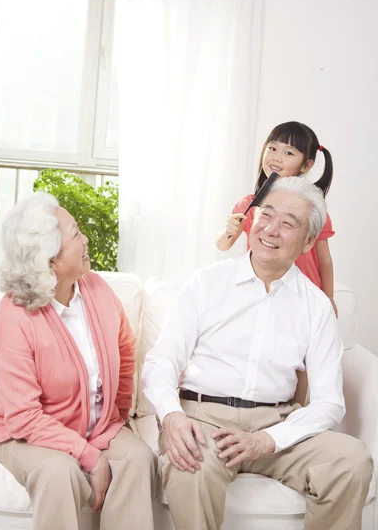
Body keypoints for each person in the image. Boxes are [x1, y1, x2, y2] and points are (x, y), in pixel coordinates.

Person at [142, 176, 373, 530]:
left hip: (276, 425)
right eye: (267, 214)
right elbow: (161, 362)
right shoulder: (207, 283)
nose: (271, 229)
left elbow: (329, 402)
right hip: (204, 421)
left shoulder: (316, 306)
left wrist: (267, 440)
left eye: (288, 223)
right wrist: (172, 416)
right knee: (190, 464)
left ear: (309, 240)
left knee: (350, 458)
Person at [0, 193, 157, 530]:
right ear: (49, 260)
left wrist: (117, 415)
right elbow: (24, 417)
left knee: (138, 459)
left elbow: (124, 351)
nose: (85, 238)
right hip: (21, 434)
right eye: (75, 234)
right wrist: (89, 456)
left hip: (93, 425)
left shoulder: (96, 288)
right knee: (57, 471)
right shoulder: (13, 317)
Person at [216, 121, 337, 315]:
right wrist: (227, 231)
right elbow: (223, 245)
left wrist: (329, 298)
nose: (276, 157)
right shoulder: (248, 205)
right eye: (272, 148)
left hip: (302, 298)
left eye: (288, 153)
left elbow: (325, 260)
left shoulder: (312, 211)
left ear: (307, 165)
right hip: (263, 295)